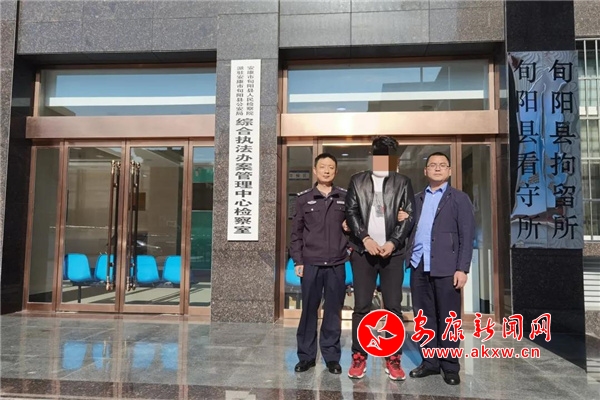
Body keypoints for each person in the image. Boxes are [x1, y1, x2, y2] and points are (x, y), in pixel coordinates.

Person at [345, 136, 415, 381]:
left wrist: (393, 242)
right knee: (361, 306)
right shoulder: (357, 181)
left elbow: (409, 216)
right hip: (363, 253)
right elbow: (351, 211)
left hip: (392, 255)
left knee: (393, 306)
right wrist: (365, 238)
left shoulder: (402, 182)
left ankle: (393, 357)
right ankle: (359, 356)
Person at [404, 152, 475, 385]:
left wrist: (462, 268)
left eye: (442, 165)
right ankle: (430, 362)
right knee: (424, 318)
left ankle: (450, 366)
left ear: (450, 171)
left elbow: (467, 235)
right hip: (419, 265)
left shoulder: (459, 198)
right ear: (425, 171)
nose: (437, 168)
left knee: (449, 318)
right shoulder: (417, 199)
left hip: (447, 267)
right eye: (432, 165)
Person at [290, 153, 349, 375]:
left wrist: (349, 246)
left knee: (333, 311)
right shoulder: (304, 198)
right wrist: (298, 260)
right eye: (322, 167)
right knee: (309, 311)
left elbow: (353, 227)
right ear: (315, 170)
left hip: (336, 263)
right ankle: (306, 357)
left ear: (336, 171)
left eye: (331, 167)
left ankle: (331, 357)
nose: (326, 170)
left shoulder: (344, 197)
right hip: (311, 263)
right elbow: (296, 233)